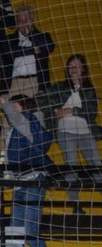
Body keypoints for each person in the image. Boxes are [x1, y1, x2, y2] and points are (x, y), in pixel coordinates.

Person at [0, 92, 52, 247]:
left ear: (23, 107)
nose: (10, 110)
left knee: (30, 229)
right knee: (15, 230)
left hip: (33, 180)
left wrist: (2, 101)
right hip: (20, 182)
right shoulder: (14, 131)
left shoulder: (28, 122)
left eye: (13, 105)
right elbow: (10, 157)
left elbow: (16, 117)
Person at [38, 55, 99, 211]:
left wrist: (72, 110)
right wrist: (54, 111)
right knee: (70, 168)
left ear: (83, 69)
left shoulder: (89, 89)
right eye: (70, 66)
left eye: (76, 66)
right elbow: (40, 98)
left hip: (85, 131)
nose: (73, 69)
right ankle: (75, 205)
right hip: (65, 131)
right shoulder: (60, 87)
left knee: (97, 167)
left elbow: (92, 111)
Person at [5, 6, 55, 100]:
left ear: (32, 20)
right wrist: (34, 50)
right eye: (20, 20)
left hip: (36, 82)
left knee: (36, 113)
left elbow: (49, 47)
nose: (23, 23)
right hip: (15, 83)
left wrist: (30, 34)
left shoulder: (43, 36)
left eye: (26, 20)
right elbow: (8, 55)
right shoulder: (9, 39)